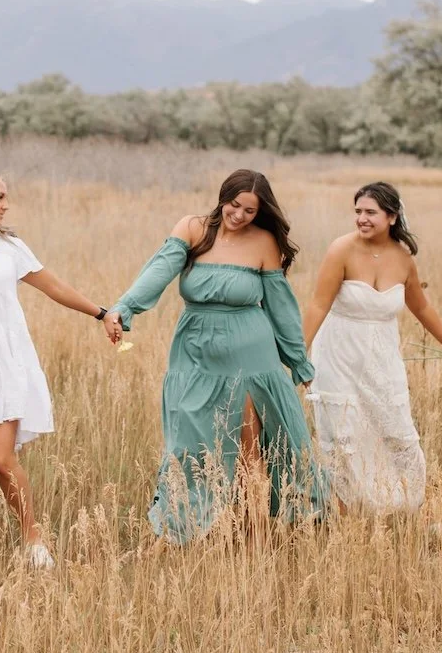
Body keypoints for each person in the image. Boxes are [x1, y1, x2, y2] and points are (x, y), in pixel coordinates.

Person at [105, 168, 326, 543]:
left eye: (250, 211)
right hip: (194, 352)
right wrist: (124, 308)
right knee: (189, 444)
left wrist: (299, 362)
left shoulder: (265, 243)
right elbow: (158, 272)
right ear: (223, 197)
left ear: (260, 213)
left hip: (250, 358)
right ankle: (186, 526)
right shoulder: (193, 229)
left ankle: (256, 537)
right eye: (235, 205)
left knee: (250, 450)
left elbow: (282, 309)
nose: (239, 216)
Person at [0, 167, 116, 570]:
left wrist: (100, 312)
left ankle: (34, 541)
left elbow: (54, 286)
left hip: (6, 363)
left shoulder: (9, 246)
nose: (5, 204)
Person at [301, 181, 442, 513]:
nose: (361, 219)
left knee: (396, 431)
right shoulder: (341, 249)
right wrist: (298, 356)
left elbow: (422, 307)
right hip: (338, 354)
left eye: (370, 213)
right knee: (343, 437)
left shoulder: (403, 258)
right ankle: (345, 515)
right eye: (358, 212)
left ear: (392, 216)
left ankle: (401, 508)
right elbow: (318, 305)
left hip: (382, 358)